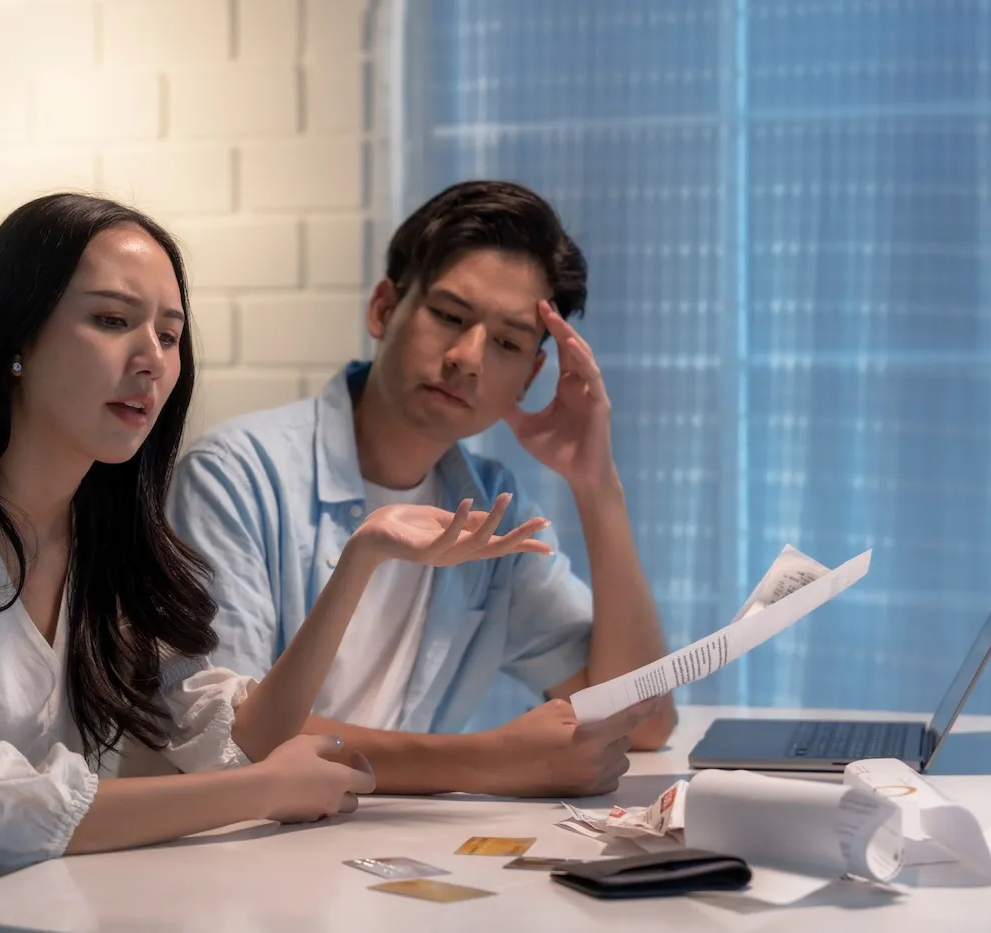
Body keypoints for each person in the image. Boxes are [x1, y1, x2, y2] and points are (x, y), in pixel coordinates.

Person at [0, 193, 547, 932]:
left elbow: (242, 737)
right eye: (113, 320)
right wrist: (260, 790)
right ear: (16, 338)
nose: (152, 357)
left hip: (45, 912)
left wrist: (363, 557)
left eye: (172, 335)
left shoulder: (104, 543)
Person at [133, 180, 676, 798]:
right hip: (219, 859)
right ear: (384, 309)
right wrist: (488, 762)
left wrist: (597, 485)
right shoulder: (233, 476)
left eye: (507, 342)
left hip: (374, 856)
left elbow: (644, 721)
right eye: (449, 315)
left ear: (528, 377)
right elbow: (229, 740)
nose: (468, 358)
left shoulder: (491, 507)